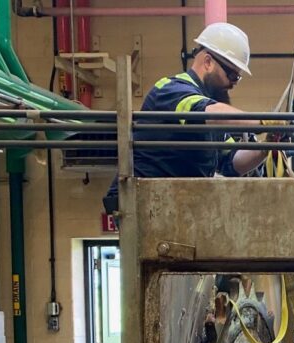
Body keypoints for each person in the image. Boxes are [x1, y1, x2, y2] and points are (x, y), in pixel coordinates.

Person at [103, 22, 271, 213]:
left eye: (237, 78)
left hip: (174, 202)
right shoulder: (171, 89)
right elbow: (206, 112)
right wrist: (263, 122)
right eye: (232, 75)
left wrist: (266, 148)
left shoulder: (211, 114)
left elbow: (231, 162)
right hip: (143, 202)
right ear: (208, 62)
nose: (233, 83)